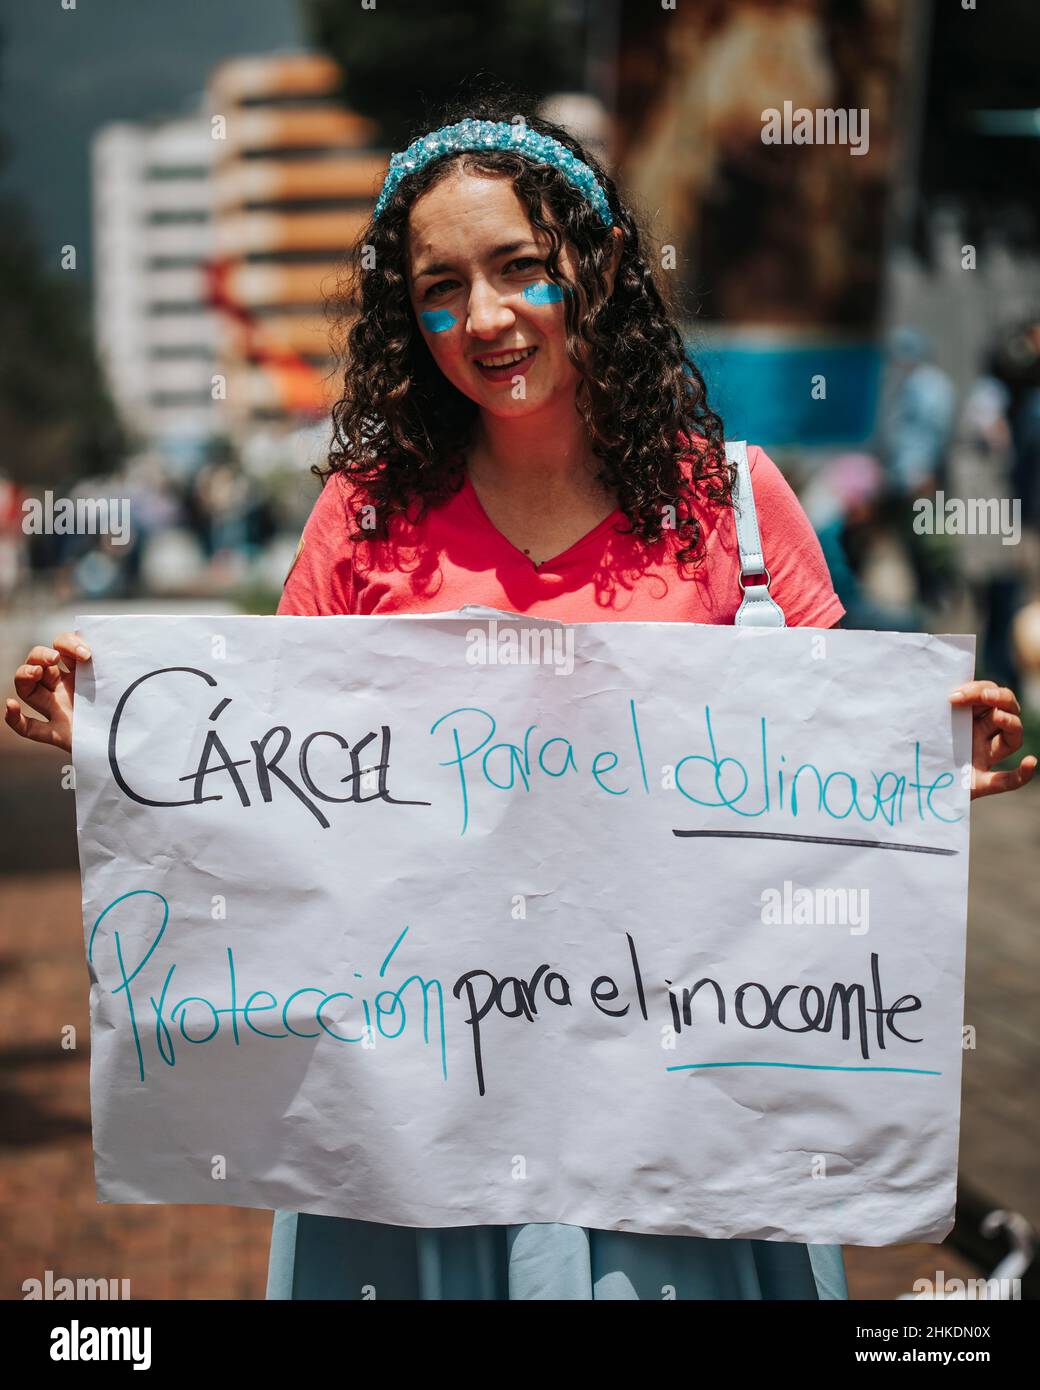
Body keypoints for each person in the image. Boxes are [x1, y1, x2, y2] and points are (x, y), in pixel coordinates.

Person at [6, 99, 1036, 1301]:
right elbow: (277, 807)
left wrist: (922, 773)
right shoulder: (365, 521)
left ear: (596, 265)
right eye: (439, 288)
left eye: (519, 269)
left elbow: (806, 803)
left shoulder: (737, 511)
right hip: (412, 1150)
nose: (482, 318)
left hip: (681, 1152)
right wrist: (128, 748)